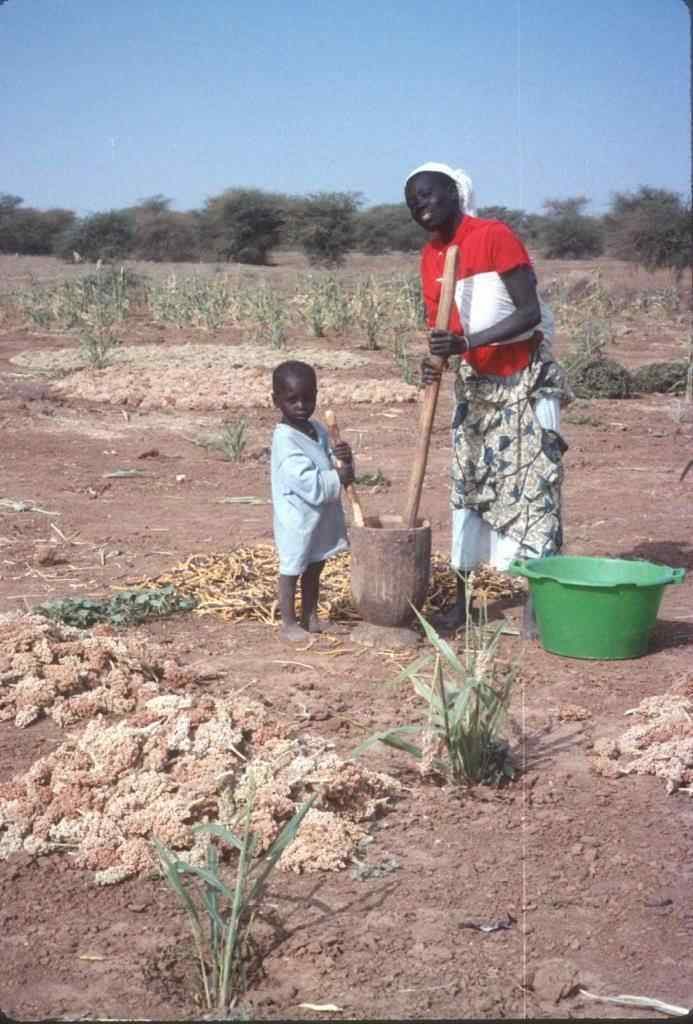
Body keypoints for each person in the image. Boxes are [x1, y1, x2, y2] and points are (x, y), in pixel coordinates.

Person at [404, 161, 573, 633]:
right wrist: (437, 356)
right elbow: (443, 330)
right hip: (476, 386)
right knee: (467, 490)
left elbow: (529, 311)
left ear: (455, 194)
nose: (420, 204)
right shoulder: (430, 256)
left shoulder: (493, 235)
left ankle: (539, 606)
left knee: (536, 491)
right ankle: (462, 604)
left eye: (429, 193)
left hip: (524, 380)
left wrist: (468, 343)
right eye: (412, 199)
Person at [271, 359, 354, 641]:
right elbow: (306, 480)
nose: (301, 406)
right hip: (298, 516)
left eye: (308, 398)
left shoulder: (316, 429)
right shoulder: (285, 440)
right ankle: (289, 623)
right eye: (292, 400)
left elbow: (326, 462)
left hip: (318, 516)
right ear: (276, 401)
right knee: (293, 566)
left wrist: (342, 460)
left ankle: (310, 616)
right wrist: (338, 478)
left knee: (315, 565)